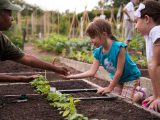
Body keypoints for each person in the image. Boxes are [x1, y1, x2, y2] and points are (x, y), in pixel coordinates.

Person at [62, 17, 144, 102]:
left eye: (93, 37)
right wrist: (71, 77)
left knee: (125, 102)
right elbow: (91, 72)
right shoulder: (98, 52)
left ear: (104, 34)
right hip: (117, 80)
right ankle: (134, 92)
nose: (91, 41)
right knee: (114, 99)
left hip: (130, 77)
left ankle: (140, 94)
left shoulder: (119, 48)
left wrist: (109, 87)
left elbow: (119, 71)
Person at [0, 0, 68, 82]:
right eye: (9, 15)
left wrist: (56, 69)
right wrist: (21, 78)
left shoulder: (2, 40)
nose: (12, 18)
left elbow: (27, 59)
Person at [134, 0, 160, 112]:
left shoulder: (156, 30)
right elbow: (152, 66)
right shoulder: (149, 35)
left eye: (136, 21)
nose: (135, 26)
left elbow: (156, 65)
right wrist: (155, 95)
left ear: (147, 19)